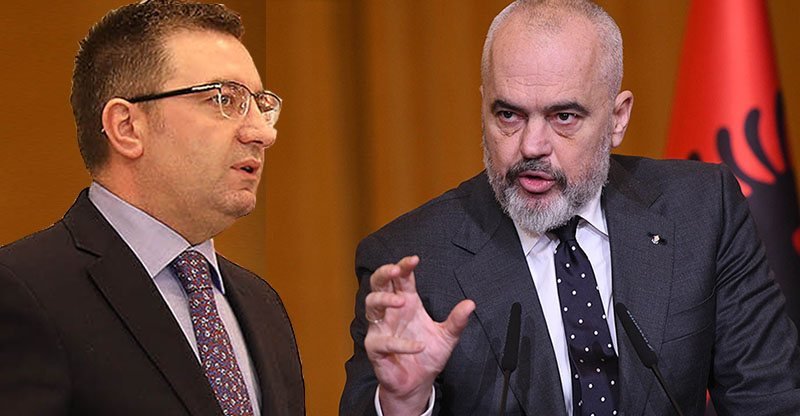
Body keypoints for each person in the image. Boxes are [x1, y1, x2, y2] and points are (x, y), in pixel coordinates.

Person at [340, 0, 800, 415]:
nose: (532, 146)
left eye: (564, 117)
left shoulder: (700, 211)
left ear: (617, 118)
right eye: (509, 115)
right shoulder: (412, 263)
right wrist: (404, 404)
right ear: (484, 108)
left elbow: (771, 398)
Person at [0, 1, 304, 415]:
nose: (261, 133)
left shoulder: (262, 305)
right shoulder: (22, 290)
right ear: (127, 127)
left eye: (260, 105)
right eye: (224, 99)